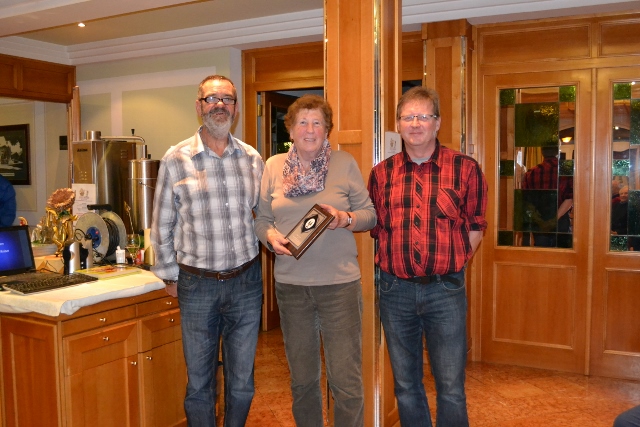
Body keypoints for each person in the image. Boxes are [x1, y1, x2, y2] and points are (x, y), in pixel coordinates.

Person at [368, 86, 488, 427]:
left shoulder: (465, 168)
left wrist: (454, 264)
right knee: (406, 385)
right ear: (398, 125)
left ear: (438, 123)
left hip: (445, 291)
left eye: (424, 116)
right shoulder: (381, 173)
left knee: (450, 386)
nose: (416, 124)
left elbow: (476, 225)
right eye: (408, 117)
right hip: (395, 291)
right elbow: (378, 229)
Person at [254, 94, 376, 427]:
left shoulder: (344, 162)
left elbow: (369, 215)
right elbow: (261, 219)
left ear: (327, 129)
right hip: (292, 288)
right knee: (303, 380)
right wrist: (270, 237)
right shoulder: (273, 166)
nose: (310, 130)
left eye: (317, 123)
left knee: (346, 380)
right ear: (291, 129)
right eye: (303, 122)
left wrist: (345, 218)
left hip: (339, 286)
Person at [150, 74, 264, 426]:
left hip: (246, 283)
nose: (220, 105)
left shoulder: (252, 158)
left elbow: (266, 216)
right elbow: (162, 223)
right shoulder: (176, 159)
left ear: (236, 108)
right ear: (199, 106)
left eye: (227, 99)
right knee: (200, 384)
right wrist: (169, 276)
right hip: (197, 284)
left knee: (242, 383)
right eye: (211, 99)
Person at [521, 146, 573, 247]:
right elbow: (569, 199)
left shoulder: (531, 173)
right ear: (558, 152)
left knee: (542, 254)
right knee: (562, 254)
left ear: (542, 152)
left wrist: (540, 221)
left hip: (540, 222)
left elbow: (527, 201)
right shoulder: (566, 171)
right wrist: (553, 220)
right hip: (560, 221)